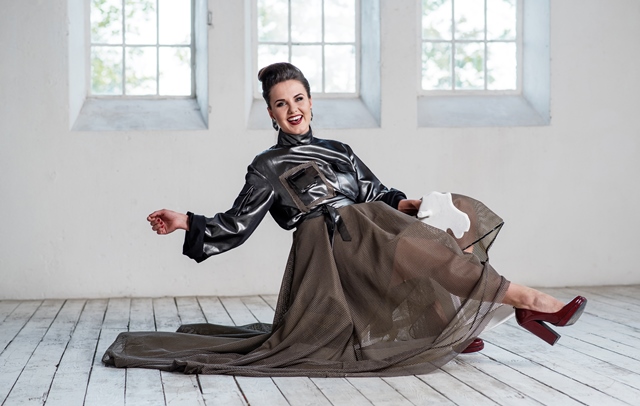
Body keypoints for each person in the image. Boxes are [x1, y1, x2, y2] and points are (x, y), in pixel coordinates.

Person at [102, 63, 586, 376]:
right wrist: (186, 221)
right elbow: (237, 223)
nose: (292, 109)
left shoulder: (341, 151)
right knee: (417, 249)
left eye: (298, 99)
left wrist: (416, 205)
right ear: (271, 113)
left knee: (437, 228)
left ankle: (448, 331)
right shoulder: (267, 165)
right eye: (281, 103)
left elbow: (378, 194)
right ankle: (529, 301)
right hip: (327, 250)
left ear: (312, 101)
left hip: (369, 226)